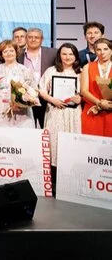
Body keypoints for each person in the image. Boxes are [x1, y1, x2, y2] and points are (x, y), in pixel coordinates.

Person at [38, 43, 82, 190]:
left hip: (73, 114)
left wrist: (80, 99)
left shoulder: (81, 72)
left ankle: (70, 182)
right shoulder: (51, 71)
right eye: (64, 54)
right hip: (55, 112)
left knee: (72, 144)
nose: (67, 57)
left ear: (75, 56)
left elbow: (84, 93)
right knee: (54, 143)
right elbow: (41, 90)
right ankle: (54, 181)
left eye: (71, 54)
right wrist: (52, 100)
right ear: (59, 56)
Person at [0, 40, 35, 128]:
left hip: (21, 109)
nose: (8, 53)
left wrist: (20, 102)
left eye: (11, 51)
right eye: (5, 51)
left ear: (16, 52)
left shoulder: (24, 69)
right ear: (1, 54)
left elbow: (33, 91)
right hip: (0, 107)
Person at [18, 28, 57, 128]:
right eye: (30, 37)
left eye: (36, 37)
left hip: (46, 98)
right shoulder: (18, 54)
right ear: (26, 39)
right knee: (27, 129)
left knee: (46, 128)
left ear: (42, 39)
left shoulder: (53, 53)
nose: (33, 40)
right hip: (25, 98)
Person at [80, 38, 112, 136]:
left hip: (110, 111)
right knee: (90, 143)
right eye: (99, 49)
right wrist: (100, 103)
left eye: (105, 49)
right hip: (92, 111)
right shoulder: (87, 67)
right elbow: (84, 91)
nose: (102, 52)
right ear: (95, 51)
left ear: (111, 50)